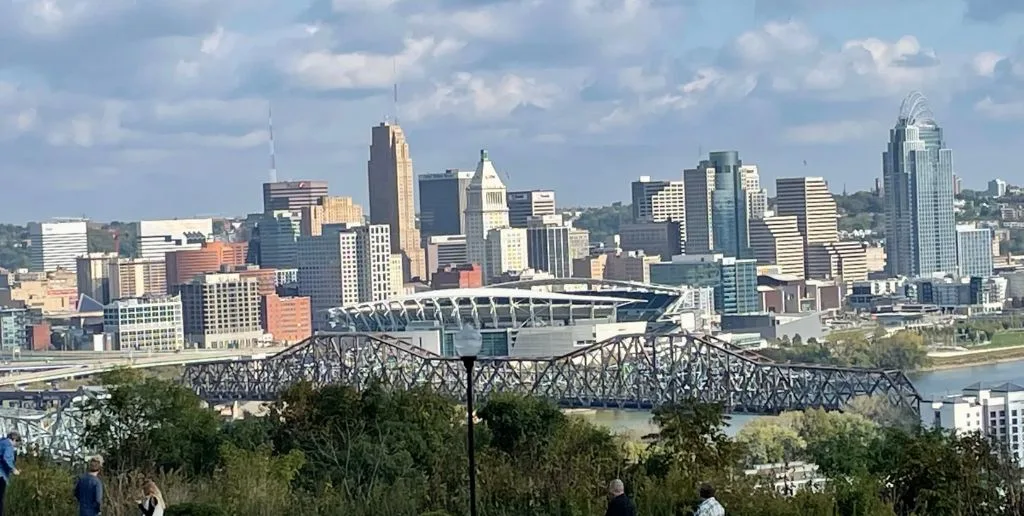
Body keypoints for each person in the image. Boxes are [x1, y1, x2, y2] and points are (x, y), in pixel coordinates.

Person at [0, 432, 21, 516]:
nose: (16, 446)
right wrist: (14, 470)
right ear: (14, 440)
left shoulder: (1, 442)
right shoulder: (9, 445)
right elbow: (7, 458)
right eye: (17, 443)